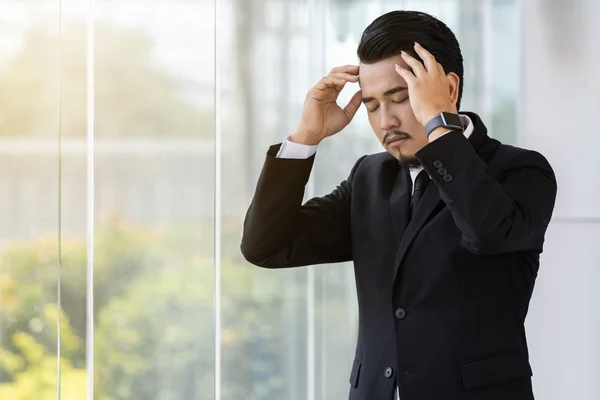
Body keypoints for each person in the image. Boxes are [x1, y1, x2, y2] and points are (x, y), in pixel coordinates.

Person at [240, 10, 557, 400]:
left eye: (400, 98)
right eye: (372, 106)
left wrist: (439, 124)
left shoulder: (520, 170)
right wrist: (306, 136)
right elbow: (266, 246)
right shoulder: (369, 179)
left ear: (448, 89)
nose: (385, 121)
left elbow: (486, 233)